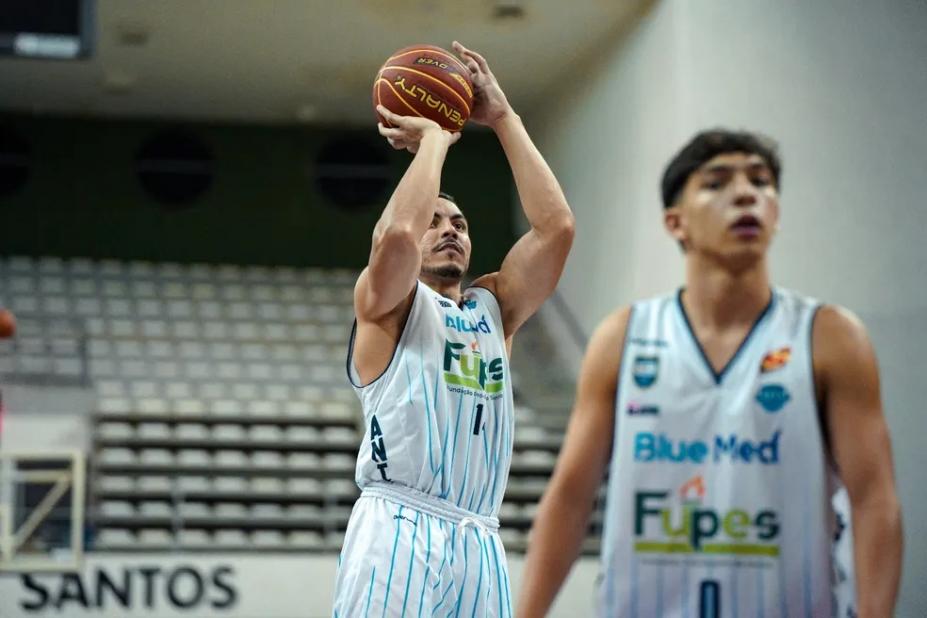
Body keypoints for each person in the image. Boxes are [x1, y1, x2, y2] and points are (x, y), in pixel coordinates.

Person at [517, 130, 902, 617]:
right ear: (676, 223)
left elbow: (874, 501)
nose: (746, 194)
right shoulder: (623, 338)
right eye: (717, 183)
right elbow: (571, 498)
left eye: (761, 182)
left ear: (776, 213)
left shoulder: (830, 337)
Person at [332, 41, 575, 617]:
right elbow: (394, 240)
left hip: (480, 537)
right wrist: (436, 140)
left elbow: (557, 228)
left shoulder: (495, 308)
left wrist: (503, 118)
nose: (450, 230)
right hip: (397, 523)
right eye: (435, 220)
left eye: (460, 223)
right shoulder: (387, 304)